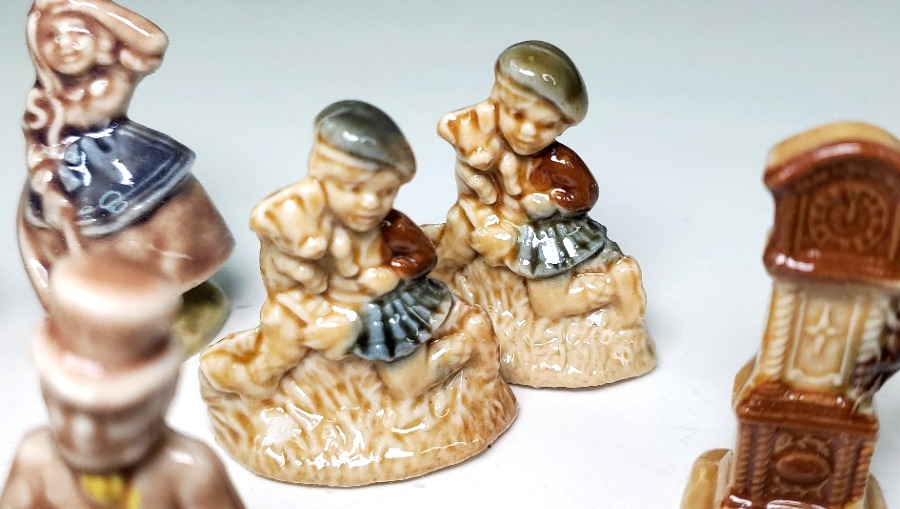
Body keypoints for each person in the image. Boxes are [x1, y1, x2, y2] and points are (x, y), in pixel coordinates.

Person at [199, 101, 516, 486]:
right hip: (322, 310)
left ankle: (463, 347)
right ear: (321, 180)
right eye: (353, 189)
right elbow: (278, 260)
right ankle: (248, 381)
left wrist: (391, 273)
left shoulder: (390, 226)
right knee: (282, 337)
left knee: (408, 384)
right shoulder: (308, 224)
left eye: (385, 192)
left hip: (389, 312)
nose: (370, 204)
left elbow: (423, 256)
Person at [430, 41, 655, 387]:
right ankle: (441, 281)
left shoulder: (556, 161)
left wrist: (551, 204)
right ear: (497, 99)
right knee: (459, 227)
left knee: (549, 304)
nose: (527, 133)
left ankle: (614, 283)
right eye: (518, 115)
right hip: (491, 220)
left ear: (562, 128)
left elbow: (586, 193)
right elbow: (453, 132)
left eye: (546, 125)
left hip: (544, 240)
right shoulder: (483, 129)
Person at [18, 0, 233, 326]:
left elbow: (153, 41)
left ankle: (170, 295)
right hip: (66, 179)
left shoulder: (116, 74)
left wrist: (88, 4)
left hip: (126, 163)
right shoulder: (45, 99)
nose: (65, 45)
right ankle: (109, 308)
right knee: (67, 237)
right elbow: (38, 146)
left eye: (78, 33)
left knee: (159, 222)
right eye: (52, 37)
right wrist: (47, 182)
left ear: (101, 40)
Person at [0, 255, 245, 509]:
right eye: (63, 406)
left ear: (165, 393)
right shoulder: (37, 464)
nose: (82, 433)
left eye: (113, 418)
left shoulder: (189, 474)